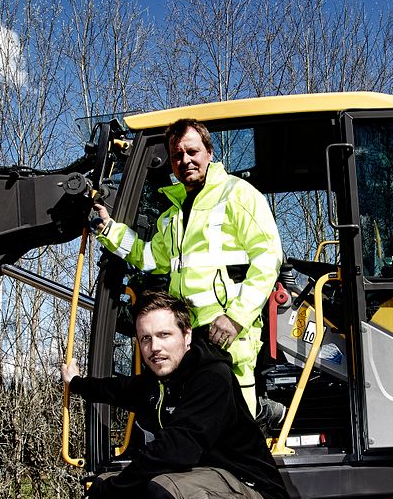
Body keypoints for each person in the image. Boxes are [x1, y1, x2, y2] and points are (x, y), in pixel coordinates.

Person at [61, 290, 286, 499]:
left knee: (161, 487)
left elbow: (177, 449)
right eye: (146, 338)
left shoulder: (211, 378)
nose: (155, 347)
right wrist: (76, 383)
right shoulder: (158, 384)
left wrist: (102, 497)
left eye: (165, 335)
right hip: (208, 496)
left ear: (187, 336)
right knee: (113, 498)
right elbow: (115, 389)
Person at [91, 118, 283, 417]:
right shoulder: (174, 214)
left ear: (209, 151)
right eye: (177, 155)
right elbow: (150, 258)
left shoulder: (237, 195)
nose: (185, 160)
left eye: (192, 151)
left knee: (232, 418)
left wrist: (236, 317)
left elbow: (268, 256)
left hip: (226, 331)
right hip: (188, 333)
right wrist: (109, 230)